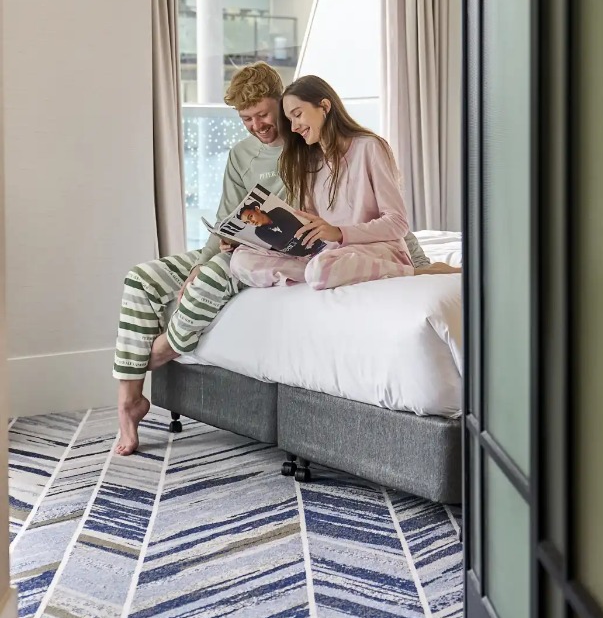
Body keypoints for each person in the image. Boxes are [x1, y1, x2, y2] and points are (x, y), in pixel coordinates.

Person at [112, 62, 433, 456]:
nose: (257, 125)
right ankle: (129, 400)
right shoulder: (243, 154)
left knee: (221, 275)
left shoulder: (309, 149)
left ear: (283, 105)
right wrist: (212, 252)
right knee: (141, 279)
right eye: (246, 118)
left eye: (264, 114)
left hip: (289, 248)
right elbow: (226, 219)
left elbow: (375, 215)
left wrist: (417, 263)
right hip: (237, 247)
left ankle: (166, 348)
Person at [230, 75, 460, 291]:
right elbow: (313, 226)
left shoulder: (369, 147)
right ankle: (316, 273)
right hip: (330, 254)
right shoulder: (308, 161)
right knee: (241, 259)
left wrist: (339, 233)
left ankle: (416, 272)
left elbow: (397, 223)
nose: (293, 127)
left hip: (376, 250)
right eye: (289, 120)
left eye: (298, 114)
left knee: (321, 268)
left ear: (325, 107)